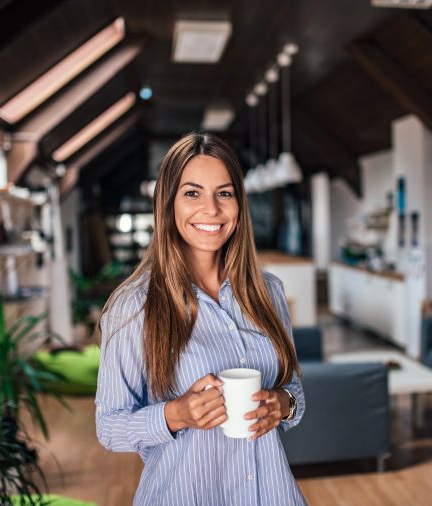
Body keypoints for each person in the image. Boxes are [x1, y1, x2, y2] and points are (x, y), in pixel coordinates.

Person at [95, 132, 307, 505]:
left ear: (238, 204)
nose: (211, 209)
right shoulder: (134, 307)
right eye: (192, 193)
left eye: (224, 193)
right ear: (168, 204)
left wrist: (282, 404)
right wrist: (175, 415)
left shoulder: (268, 292)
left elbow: (294, 390)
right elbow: (109, 426)